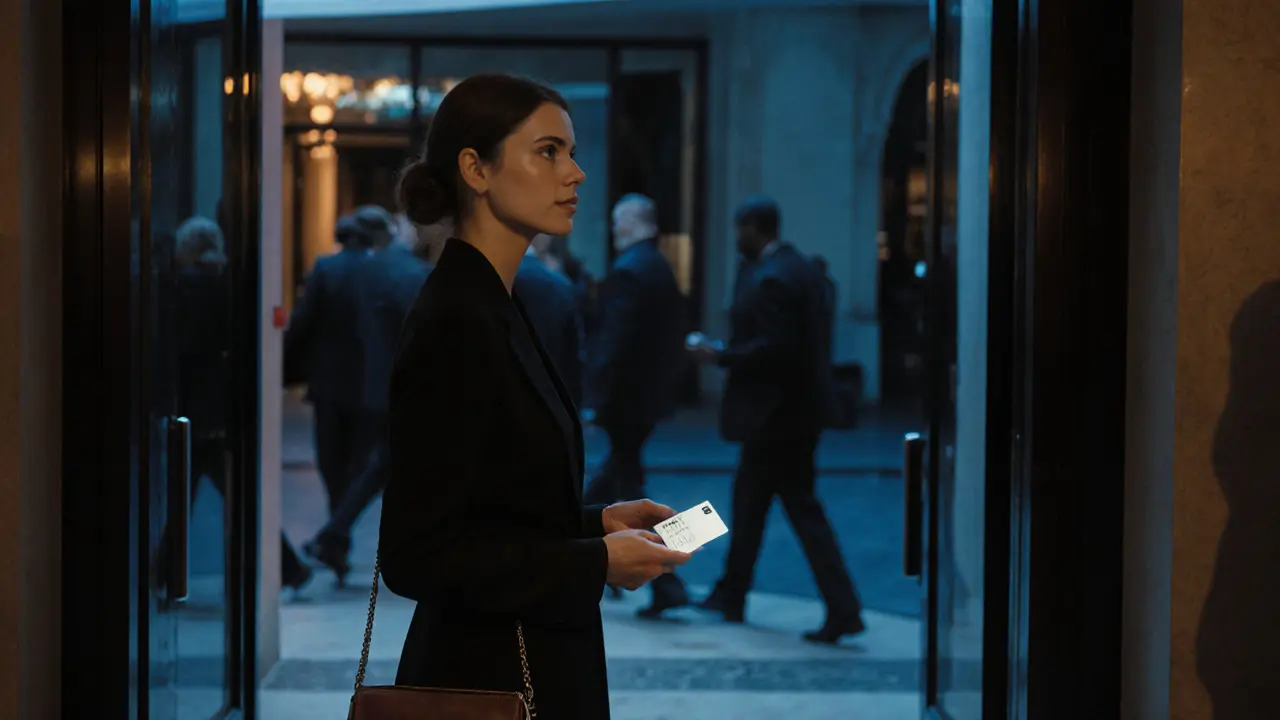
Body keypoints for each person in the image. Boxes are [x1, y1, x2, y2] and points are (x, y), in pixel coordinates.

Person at [380, 73, 692, 720]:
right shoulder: (457, 318)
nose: (574, 174)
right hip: (489, 678)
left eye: (571, 152)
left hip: (529, 661)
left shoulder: (501, 302)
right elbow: (417, 555)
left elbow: (496, 513)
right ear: (477, 169)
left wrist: (596, 524)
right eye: (548, 151)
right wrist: (594, 562)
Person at [690, 196, 866, 644]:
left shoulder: (773, 279)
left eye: (739, 230)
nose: (736, 240)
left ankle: (842, 608)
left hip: (777, 419)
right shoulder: (798, 268)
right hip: (791, 417)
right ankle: (732, 592)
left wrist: (719, 356)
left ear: (753, 227)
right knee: (751, 505)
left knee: (797, 511)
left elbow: (773, 350)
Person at [582, 193, 690, 617]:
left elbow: (614, 342)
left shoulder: (630, 270)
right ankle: (601, 560)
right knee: (612, 485)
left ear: (631, 224)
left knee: (628, 491)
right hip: (645, 400)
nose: (613, 230)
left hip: (625, 401)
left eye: (616, 222)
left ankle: (668, 577)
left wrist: (595, 399)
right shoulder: (657, 266)